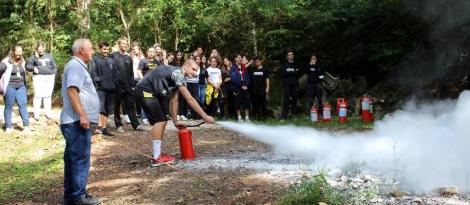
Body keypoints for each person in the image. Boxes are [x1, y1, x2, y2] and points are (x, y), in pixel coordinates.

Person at [135, 59, 215, 166]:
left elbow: (174, 100)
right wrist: (204, 116)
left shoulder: (179, 77)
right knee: (160, 121)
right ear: (185, 66)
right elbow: (190, 99)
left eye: (197, 71)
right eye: (193, 69)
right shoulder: (177, 73)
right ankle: (157, 157)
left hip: (150, 92)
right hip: (145, 90)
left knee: (162, 120)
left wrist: (175, 121)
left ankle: (156, 153)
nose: (195, 73)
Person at [60, 38, 102, 205]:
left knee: (72, 159)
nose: (93, 51)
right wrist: (83, 115)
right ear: (81, 50)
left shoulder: (77, 66)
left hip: (74, 121)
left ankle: (71, 196)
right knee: (79, 159)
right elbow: (72, 91)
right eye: (90, 48)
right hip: (75, 122)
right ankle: (79, 196)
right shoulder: (76, 66)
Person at [108, 38, 143, 132]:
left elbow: (131, 73)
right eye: (123, 43)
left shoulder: (128, 58)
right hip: (116, 86)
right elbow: (109, 70)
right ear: (119, 45)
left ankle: (136, 125)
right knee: (116, 106)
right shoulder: (112, 56)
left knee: (131, 105)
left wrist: (132, 85)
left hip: (127, 86)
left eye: (126, 43)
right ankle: (118, 125)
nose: (125, 45)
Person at [0, 44, 31, 134]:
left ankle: (26, 126)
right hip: (9, 86)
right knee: (9, 106)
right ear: (13, 52)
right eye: (17, 53)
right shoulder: (5, 62)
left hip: (21, 86)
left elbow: (25, 71)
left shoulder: (22, 61)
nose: (19, 55)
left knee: (23, 105)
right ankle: (8, 127)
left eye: (21, 53)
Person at [89, 41, 117, 136]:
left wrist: (114, 84)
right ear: (100, 49)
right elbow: (93, 73)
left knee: (108, 109)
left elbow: (115, 74)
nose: (106, 51)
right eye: (104, 49)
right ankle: (98, 128)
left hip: (111, 88)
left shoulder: (111, 60)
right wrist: (99, 83)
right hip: (100, 89)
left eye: (107, 49)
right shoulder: (95, 59)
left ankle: (104, 129)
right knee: (101, 109)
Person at [26, 41, 57, 121]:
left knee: (47, 96)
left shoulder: (49, 56)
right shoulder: (34, 57)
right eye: (39, 49)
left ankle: (48, 113)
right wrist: (33, 68)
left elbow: (54, 66)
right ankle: (36, 114)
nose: (41, 50)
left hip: (49, 77)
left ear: (44, 48)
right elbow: (27, 66)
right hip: (38, 77)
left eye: (42, 48)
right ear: (37, 49)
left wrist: (53, 72)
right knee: (38, 95)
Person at [230, 54, 251, 122]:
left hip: (245, 88)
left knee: (247, 102)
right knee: (237, 103)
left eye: (241, 58)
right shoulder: (233, 68)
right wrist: (240, 85)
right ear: (235, 59)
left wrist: (246, 85)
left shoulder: (244, 67)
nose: (240, 59)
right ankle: (239, 118)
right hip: (237, 88)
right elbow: (233, 79)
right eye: (238, 58)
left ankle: (247, 118)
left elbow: (247, 77)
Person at [280, 51, 301, 120]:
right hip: (287, 85)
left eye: (292, 54)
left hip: (294, 84)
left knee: (294, 100)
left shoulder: (296, 64)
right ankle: (283, 117)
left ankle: (294, 115)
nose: (291, 55)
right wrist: (293, 72)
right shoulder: (285, 64)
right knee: (286, 101)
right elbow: (283, 74)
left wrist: (289, 72)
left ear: (293, 56)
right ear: (287, 56)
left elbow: (297, 74)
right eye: (289, 54)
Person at [249, 56, 270, 120]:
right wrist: (250, 62)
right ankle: (258, 117)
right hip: (254, 89)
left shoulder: (265, 69)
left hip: (262, 88)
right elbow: (244, 68)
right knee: (256, 104)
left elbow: (267, 79)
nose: (257, 63)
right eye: (255, 62)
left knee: (263, 103)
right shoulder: (252, 69)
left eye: (258, 62)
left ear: (260, 61)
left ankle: (264, 117)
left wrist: (268, 87)